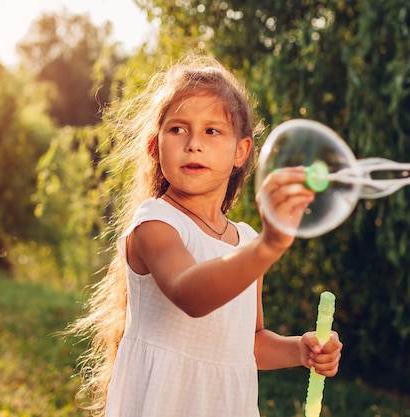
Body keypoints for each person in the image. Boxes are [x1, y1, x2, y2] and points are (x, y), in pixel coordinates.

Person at [70, 55, 343, 417]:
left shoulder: (245, 242)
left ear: (241, 152)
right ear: (155, 146)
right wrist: (270, 244)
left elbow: (247, 342)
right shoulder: (155, 222)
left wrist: (299, 350)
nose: (193, 143)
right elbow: (191, 294)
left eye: (212, 131)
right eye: (178, 129)